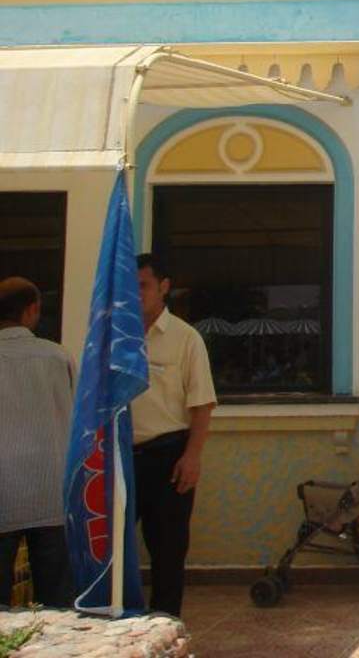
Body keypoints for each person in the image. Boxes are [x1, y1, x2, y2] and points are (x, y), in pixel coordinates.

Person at [130, 254, 216, 616]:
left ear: (163, 287)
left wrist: (192, 457)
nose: (136, 294)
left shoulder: (185, 338)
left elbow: (202, 404)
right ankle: (117, 628)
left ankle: (165, 625)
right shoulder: (116, 337)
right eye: (129, 286)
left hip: (168, 457)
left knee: (167, 550)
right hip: (120, 458)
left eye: (143, 286)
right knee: (112, 548)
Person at [0, 277, 75, 608]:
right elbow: (78, 419)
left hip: (3, 488)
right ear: (31, 311)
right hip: (51, 487)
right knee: (56, 596)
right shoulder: (57, 357)